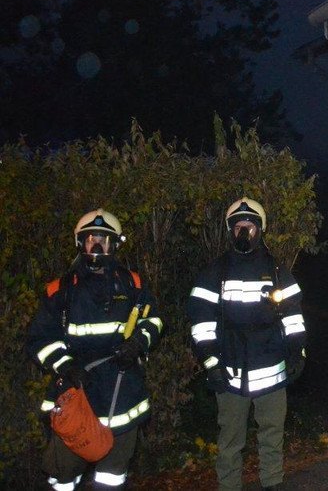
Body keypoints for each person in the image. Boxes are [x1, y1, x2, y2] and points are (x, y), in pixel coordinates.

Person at [26, 209, 163, 491]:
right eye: (91, 240)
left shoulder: (133, 284)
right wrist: (66, 366)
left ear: (114, 245)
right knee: (64, 475)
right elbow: (40, 337)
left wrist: (138, 342)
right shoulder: (60, 290)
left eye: (103, 240)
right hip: (76, 393)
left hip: (122, 392)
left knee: (111, 477)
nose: (97, 246)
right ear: (81, 243)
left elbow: (154, 319)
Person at [187, 197, 306, 491]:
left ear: (259, 230)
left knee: (272, 434)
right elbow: (201, 324)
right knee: (230, 440)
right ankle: (229, 486)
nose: (244, 232)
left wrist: (297, 353)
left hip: (271, 369)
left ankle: (272, 483)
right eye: (238, 226)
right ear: (230, 230)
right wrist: (211, 364)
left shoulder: (277, 271)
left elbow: (294, 318)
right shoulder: (215, 273)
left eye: (249, 226)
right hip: (230, 372)